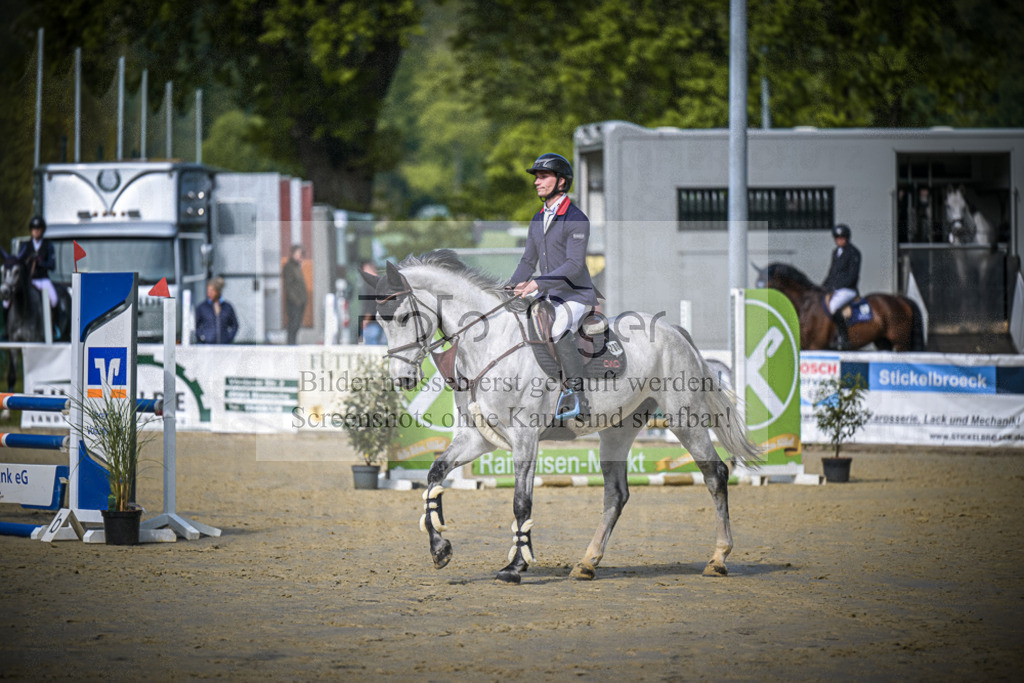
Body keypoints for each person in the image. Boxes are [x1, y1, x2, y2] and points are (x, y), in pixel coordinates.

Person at [508, 153, 598, 421]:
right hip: (550, 295)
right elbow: (527, 260)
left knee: (558, 328)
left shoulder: (577, 219)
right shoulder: (538, 219)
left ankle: (578, 397)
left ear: (561, 182)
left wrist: (536, 282)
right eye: (536, 177)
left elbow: (573, 265)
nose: (537, 182)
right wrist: (510, 286)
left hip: (576, 295)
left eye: (543, 176)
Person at [822, 223, 861, 350]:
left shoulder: (854, 253)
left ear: (847, 238)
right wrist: (823, 286)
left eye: (842, 238)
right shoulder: (835, 252)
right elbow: (832, 272)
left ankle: (844, 338)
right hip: (836, 289)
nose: (840, 240)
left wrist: (836, 287)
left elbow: (852, 276)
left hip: (848, 290)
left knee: (832, 307)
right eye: (837, 238)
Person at [17, 215, 59, 313]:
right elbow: (20, 263)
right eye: (33, 228)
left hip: (43, 280)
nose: (36, 231)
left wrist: (40, 262)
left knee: (54, 300)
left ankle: (54, 324)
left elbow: (52, 266)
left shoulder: (48, 245)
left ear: (42, 230)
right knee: (9, 301)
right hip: (28, 280)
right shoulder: (25, 246)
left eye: (38, 228)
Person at [195, 277, 239, 344]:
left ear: (218, 291)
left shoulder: (227, 307)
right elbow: (195, 325)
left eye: (212, 291)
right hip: (206, 346)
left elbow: (234, 325)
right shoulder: (202, 307)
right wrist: (201, 337)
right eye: (208, 291)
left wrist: (229, 338)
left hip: (224, 345)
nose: (209, 294)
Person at [283, 244, 307, 344]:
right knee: (293, 324)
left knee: (297, 324)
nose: (299, 256)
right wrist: (296, 300)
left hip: (300, 301)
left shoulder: (297, 266)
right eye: (297, 253)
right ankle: (291, 344)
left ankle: (293, 343)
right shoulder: (289, 267)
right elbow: (288, 286)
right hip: (294, 302)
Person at [359, 261, 385, 345]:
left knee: (371, 350)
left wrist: (366, 320)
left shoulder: (370, 284)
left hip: (372, 323)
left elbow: (371, 303)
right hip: (383, 323)